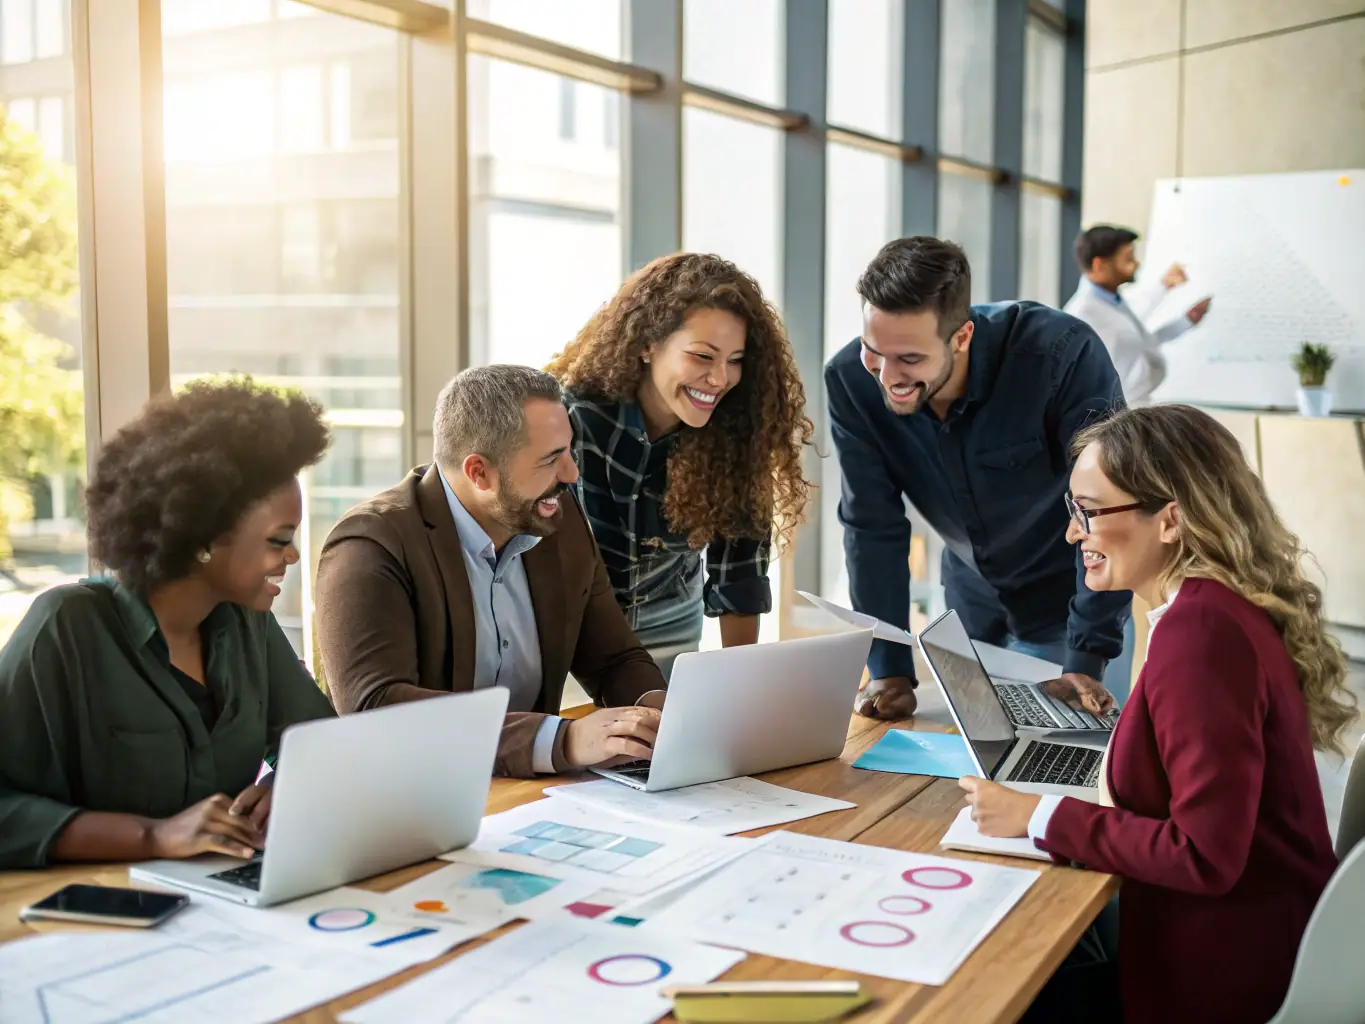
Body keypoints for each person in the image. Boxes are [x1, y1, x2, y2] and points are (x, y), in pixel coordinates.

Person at [960, 404, 1356, 1024]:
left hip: (1227, 982)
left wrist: (1035, 815)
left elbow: (1203, 854)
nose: (1073, 533)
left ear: (1169, 520)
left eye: (1089, 512)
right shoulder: (1205, 610)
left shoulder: (1202, 632)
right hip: (1243, 943)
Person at [0, 379, 336, 870]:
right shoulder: (66, 629)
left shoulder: (247, 624)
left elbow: (317, 742)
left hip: (222, 899)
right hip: (93, 911)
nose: (293, 554)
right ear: (202, 536)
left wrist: (281, 785)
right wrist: (153, 836)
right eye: (277, 539)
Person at [826, 236, 1131, 721]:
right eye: (873, 352)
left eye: (909, 359)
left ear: (962, 337)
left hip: (1072, 609)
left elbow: (1110, 510)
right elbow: (872, 526)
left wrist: (1086, 659)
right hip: (970, 613)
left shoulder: (1061, 356)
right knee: (967, 779)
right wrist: (890, 667)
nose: (886, 377)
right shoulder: (849, 380)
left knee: (1075, 775)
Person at [315, 365, 667, 779]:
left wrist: (659, 712)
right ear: (478, 472)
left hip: (528, 796)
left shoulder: (556, 518)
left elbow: (613, 658)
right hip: (405, 796)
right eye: (551, 459)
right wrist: (560, 740)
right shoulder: (370, 545)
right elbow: (376, 709)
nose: (572, 475)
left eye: (569, 451)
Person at [546, 253, 812, 678]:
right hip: (575, 634)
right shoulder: (575, 416)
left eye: (736, 359)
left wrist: (739, 686)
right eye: (703, 356)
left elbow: (739, 577)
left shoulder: (738, 431)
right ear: (648, 345)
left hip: (672, 628)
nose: (721, 378)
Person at [1063, 225, 1212, 407]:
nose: (1136, 264)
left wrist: (1186, 321)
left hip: (1137, 407)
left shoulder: (1113, 300)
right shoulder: (1083, 315)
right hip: (1119, 415)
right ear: (1099, 265)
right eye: (1127, 259)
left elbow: (1141, 343)